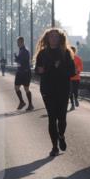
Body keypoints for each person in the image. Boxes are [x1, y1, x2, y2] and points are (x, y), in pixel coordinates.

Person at [34, 28, 76, 156]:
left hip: (63, 89)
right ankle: (54, 147)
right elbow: (37, 70)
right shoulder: (42, 54)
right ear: (47, 39)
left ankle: (61, 135)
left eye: (56, 37)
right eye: (51, 36)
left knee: (61, 118)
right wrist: (39, 70)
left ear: (60, 39)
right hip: (47, 89)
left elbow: (72, 72)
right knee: (52, 118)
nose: (53, 39)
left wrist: (60, 67)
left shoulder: (66, 53)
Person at [13, 36, 34, 111]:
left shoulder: (25, 51)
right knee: (16, 88)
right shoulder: (21, 50)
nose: (17, 44)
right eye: (17, 42)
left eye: (18, 42)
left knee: (26, 89)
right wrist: (16, 58)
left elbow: (23, 61)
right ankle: (22, 102)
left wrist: (17, 59)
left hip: (25, 72)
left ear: (22, 42)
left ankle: (30, 104)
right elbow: (19, 61)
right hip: (20, 72)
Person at [69, 45, 84, 110]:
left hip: (76, 78)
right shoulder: (67, 58)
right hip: (69, 78)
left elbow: (81, 67)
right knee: (70, 92)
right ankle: (72, 104)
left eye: (73, 51)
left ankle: (76, 98)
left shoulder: (78, 59)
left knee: (75, 90)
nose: (72, 52)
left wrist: (77, 70)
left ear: (75, 51)